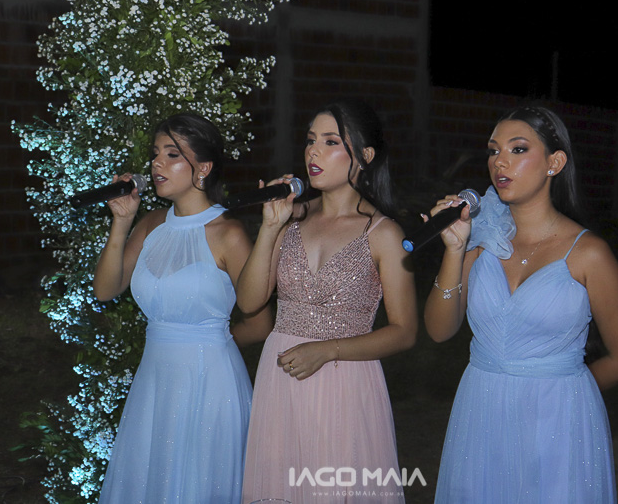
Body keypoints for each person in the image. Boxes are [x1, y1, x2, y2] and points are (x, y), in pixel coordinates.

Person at [424, 105, 618, 503]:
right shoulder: (480, 237)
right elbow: (439, 331)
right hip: (481, 411)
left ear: (554, 163)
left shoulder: (590, 254)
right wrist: (455, 251)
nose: (500, 161)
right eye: (493, 150)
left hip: (557, 421)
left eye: (518, 149)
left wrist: (567, 397)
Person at [237, 100, 417, 503]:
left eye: (331, 142)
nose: (313, 152)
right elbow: (249, 303)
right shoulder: (292, 219)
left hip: (345, 380)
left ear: (364, 156)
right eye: (310, 141)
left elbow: (404, 332)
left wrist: (327, 349)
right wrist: (269, 228)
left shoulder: (383, 233)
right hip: (280, 380)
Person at [93, 113, 271, 503]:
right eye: (155, 154)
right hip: (154, 379)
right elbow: (105, 290)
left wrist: (209, 344)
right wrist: (121, 223)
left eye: (172, 154)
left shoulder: (228, 232)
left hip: (210, 382)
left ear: (203, 168)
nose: (157, 163)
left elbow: (260, 323)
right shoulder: (151, 224)